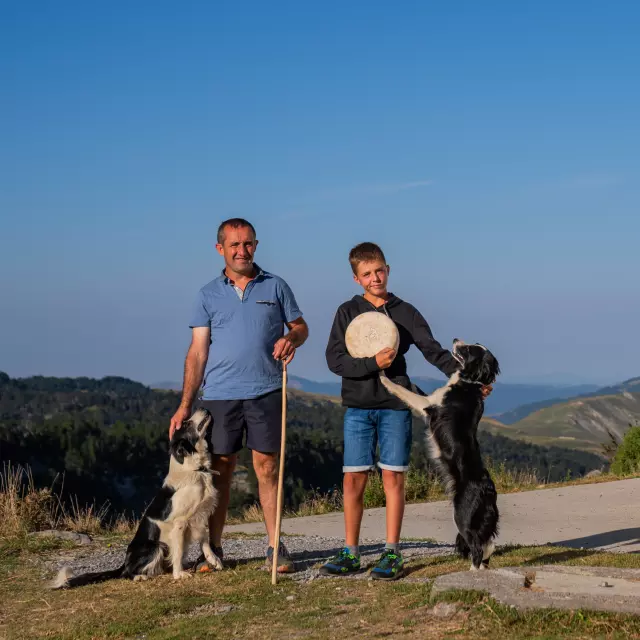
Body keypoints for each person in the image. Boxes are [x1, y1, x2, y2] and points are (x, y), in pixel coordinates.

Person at [321, 242, 491, 580]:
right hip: (357, 406)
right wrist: (372, 363)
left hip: (396, 407)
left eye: (379, 270)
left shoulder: (406, 312)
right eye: (367, 274)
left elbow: (434, 351)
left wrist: (471, 381)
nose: (375, 278)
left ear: (388, 269)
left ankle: (391, 553)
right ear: (356, 278)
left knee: (393, 478)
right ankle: (351, 552)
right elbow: (334, 359)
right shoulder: (346, 312)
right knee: (353, 479)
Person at [169, 218, 308, 573]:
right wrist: (185, 405)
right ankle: (211, 550)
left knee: (267, 468)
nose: (242, 251)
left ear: (256, 245)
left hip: (265, 390)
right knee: (221, 472)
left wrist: (290, 340)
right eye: (234, 245)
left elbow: (300, 327)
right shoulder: (207, 295)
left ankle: (276, 548)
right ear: (221, 249)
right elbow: (197, 352)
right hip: (219, 395)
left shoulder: (276, 286)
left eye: (247, 244)